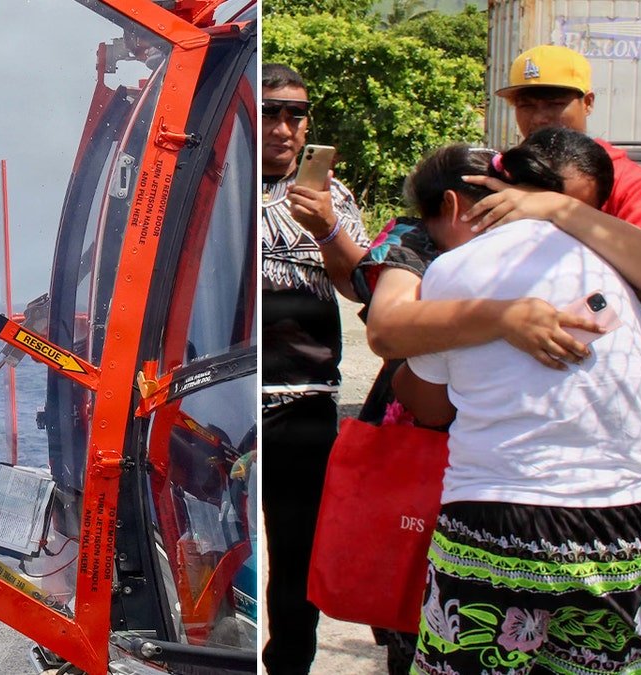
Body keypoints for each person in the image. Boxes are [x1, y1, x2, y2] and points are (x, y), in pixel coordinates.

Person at [357, 128, 641, 674]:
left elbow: (428, 402)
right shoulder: (628, 266)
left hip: (500, 523)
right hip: (633, 523)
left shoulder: (455, 267)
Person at [259, 62, 370, 675]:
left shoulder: (335, 197)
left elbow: (360, 288)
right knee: (212, 548)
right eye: (270, 112)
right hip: (222, 400)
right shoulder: (217, 186)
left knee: (297, 558)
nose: (283, 127)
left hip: (304, 401)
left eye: (295, 115)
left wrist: (327, 228)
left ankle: (289, 666)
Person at [497, 44, 641, 239]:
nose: (539, 118)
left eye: (554, 104)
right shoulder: (501, 171)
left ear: (587, 103)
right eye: (526, 105)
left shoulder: (633, 185)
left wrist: (560, 211)